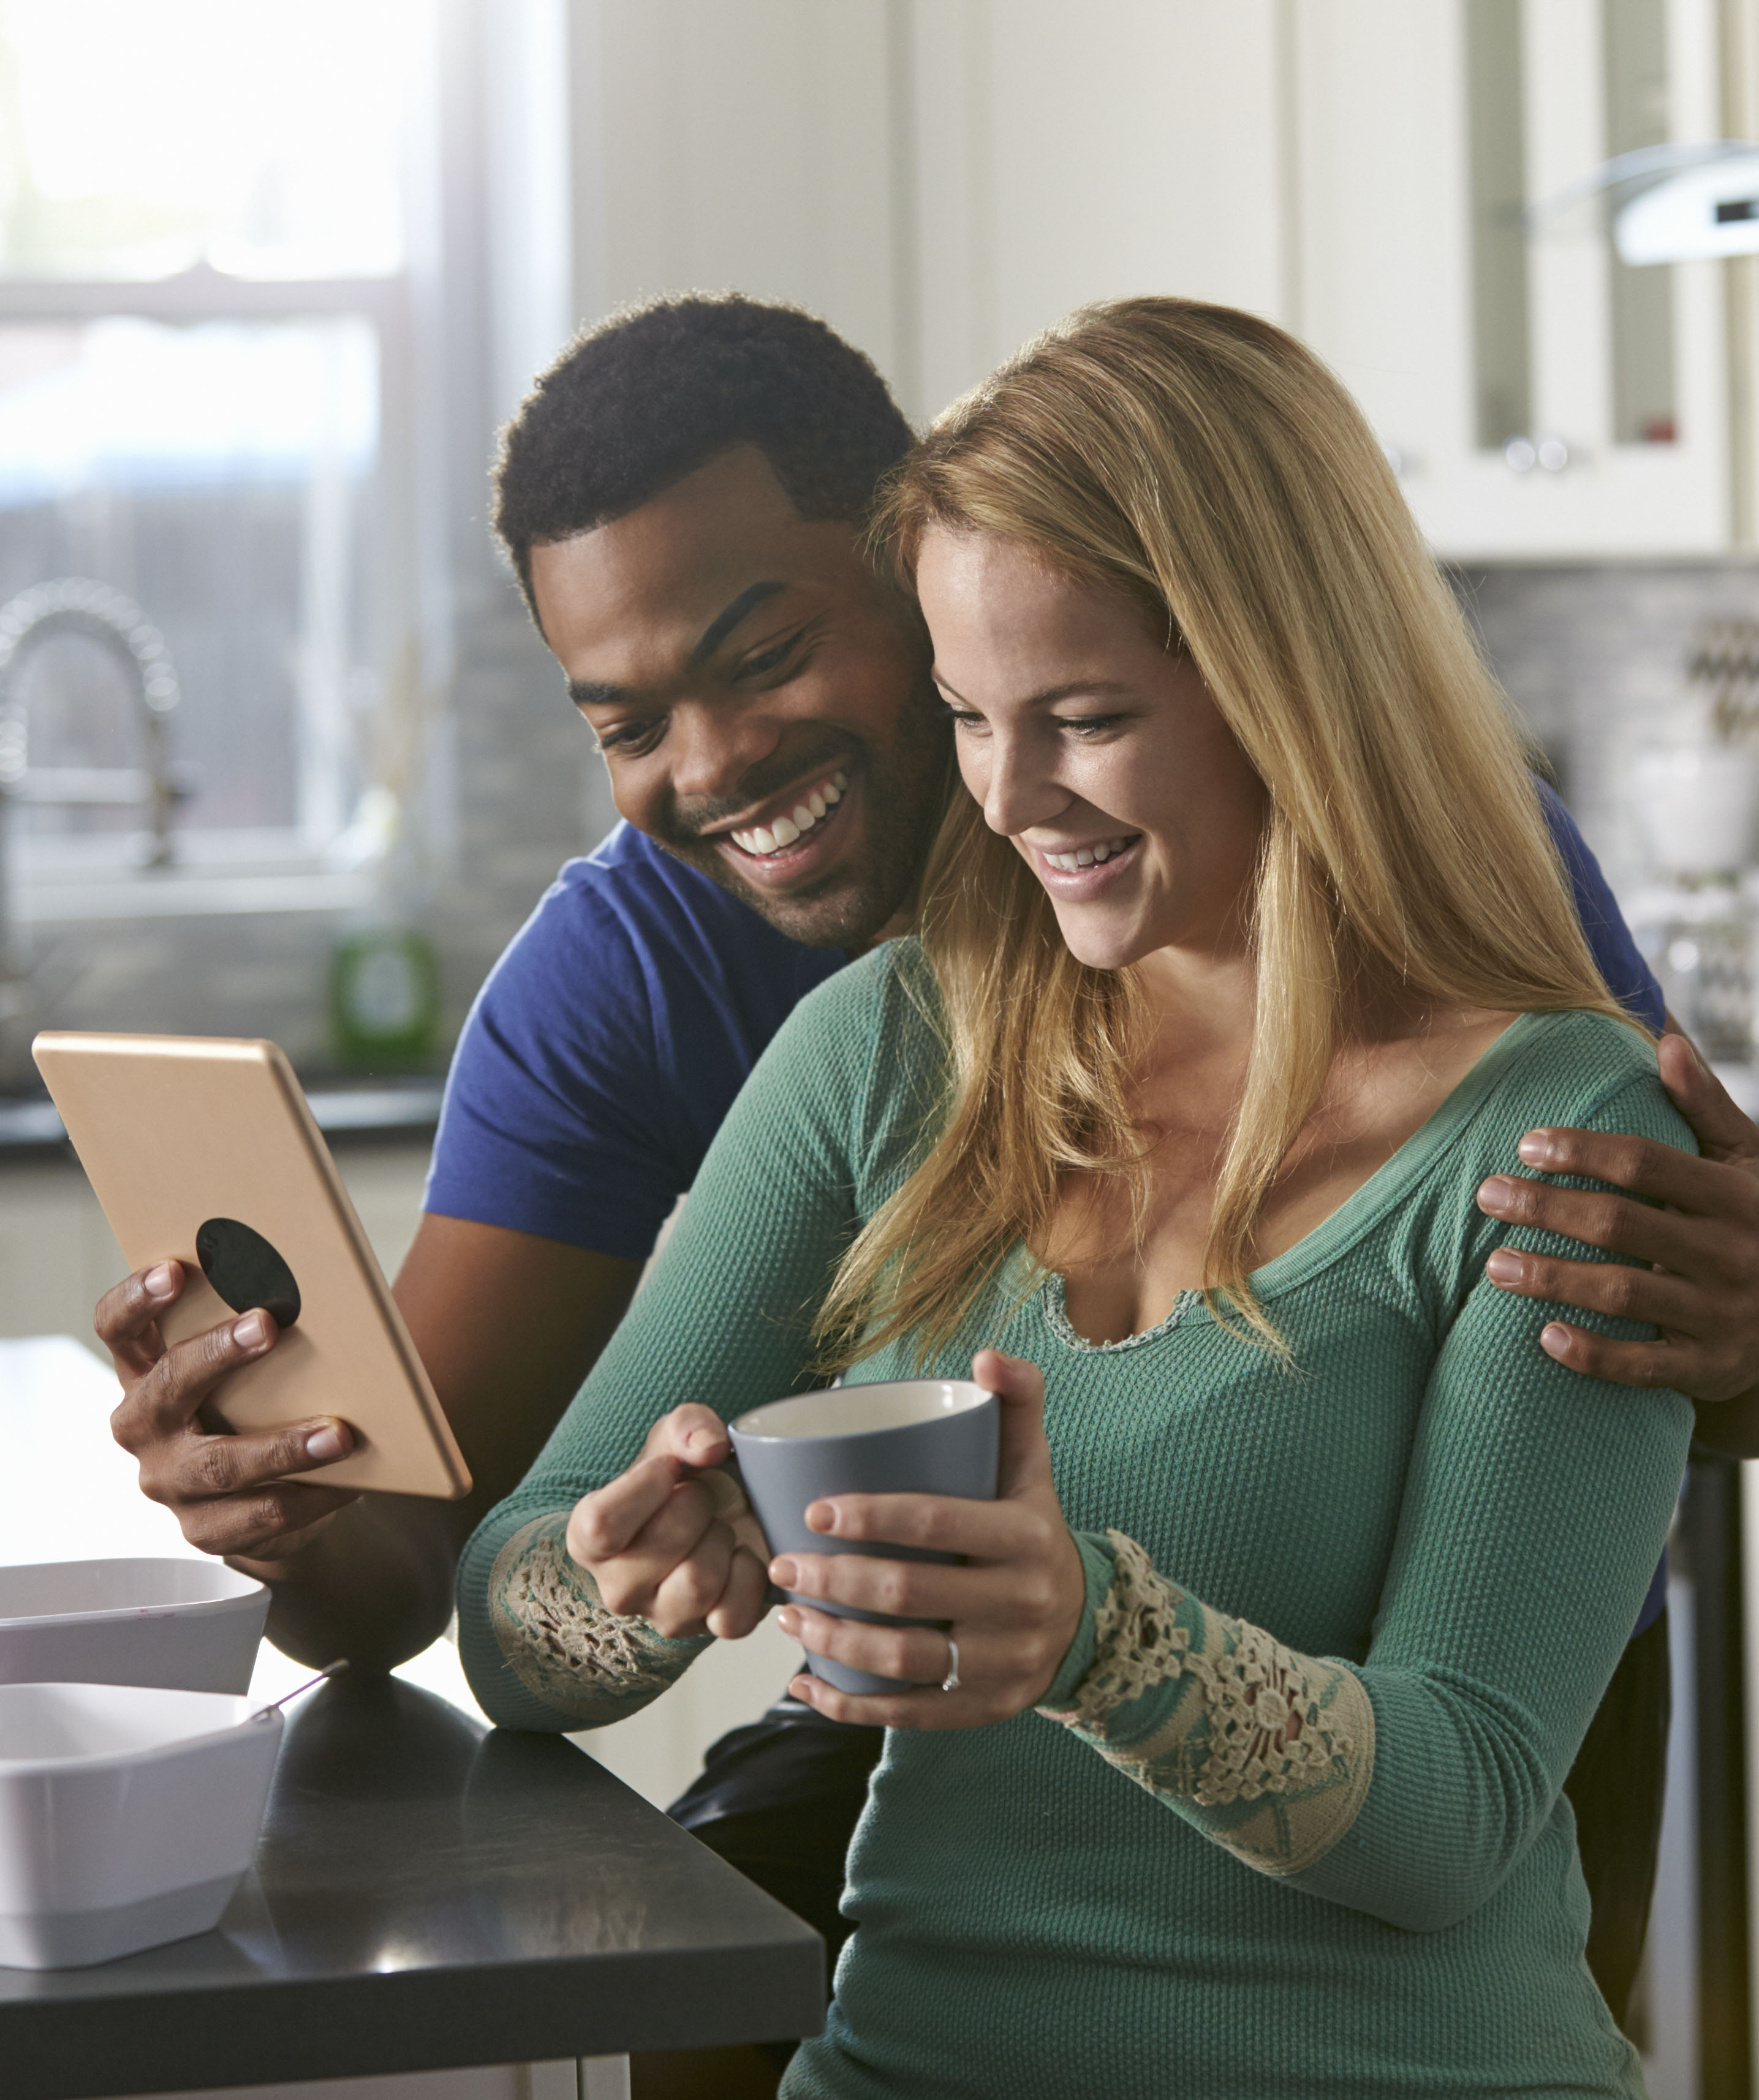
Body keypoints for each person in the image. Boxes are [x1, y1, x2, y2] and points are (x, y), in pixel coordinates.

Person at [90, 298, 1759, 2072]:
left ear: (1292, 676)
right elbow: (493, 1580)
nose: (1014, 796)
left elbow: (1464, 1790)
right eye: (979, 716)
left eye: (1087, 715)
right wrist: (588, 1567)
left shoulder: (1547, 1081)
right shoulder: (858, 1036)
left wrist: (1093, 1628)